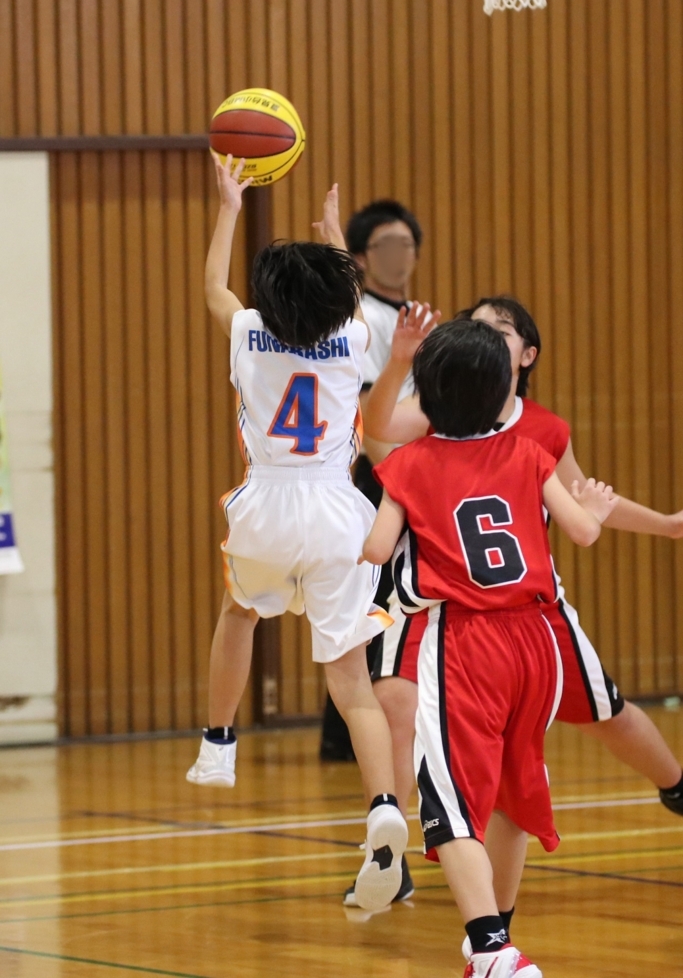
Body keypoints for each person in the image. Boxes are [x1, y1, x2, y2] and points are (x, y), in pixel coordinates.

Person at [360, 295, 683, 916]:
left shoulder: (534, 434)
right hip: (492, 624)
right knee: (408, 714)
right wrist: (398, 362)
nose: (484, 333)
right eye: (475, 324)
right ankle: (400, 855)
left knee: (598, 715)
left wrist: (664, 525)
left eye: (499, 328)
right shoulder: (463, 431)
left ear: (525, 355)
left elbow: (584, 497)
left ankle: (484, 920)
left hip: (507, 619)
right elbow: (588, 516)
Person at [185, 154, 407, 912]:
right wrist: (336, 240)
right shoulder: (352, 339)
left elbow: (212, 287)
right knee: (351, 683)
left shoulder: (248, 332)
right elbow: (342, 298)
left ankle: (218, 743)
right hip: (339, 512)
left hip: (269, 507)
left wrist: (228, 206)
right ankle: (382, 806)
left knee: (240, 613)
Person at [319, 199, 428, 766]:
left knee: (387, 601)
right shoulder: (361, 318)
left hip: (411, 476)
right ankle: (345, 734)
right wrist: (404, 477)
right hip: (377, 476)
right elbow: (366, 413)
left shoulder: (412, 313)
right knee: (367, 602)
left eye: (406, 245)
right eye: (386, 246)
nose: (398, 256)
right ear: (361, 257)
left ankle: (380, 723)